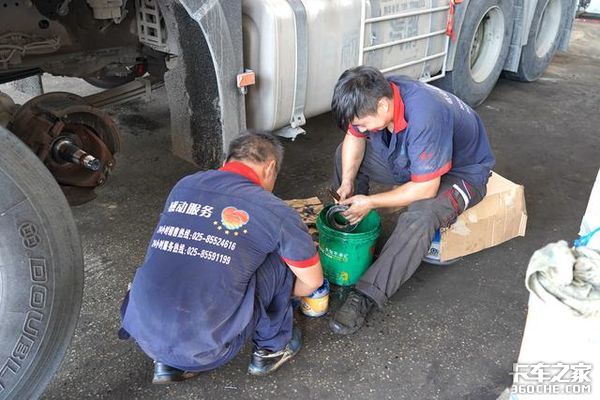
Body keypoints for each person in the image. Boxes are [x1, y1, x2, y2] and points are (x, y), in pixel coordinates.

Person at [120, 132, 323, 383]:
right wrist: (285, 295)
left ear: (228, 159)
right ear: (270, 167)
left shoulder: (185, 185)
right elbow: (312, 282)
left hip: (145, 335)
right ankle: (271, 349)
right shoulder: (275, 210)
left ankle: (169, 364)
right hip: (208, 351)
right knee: (282, 262)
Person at [328, 66, 495, 335]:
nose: (358, 128)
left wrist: (371, 202)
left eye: (361, 122)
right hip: (415, 152)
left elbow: (426, 189)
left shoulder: (425, 115)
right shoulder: (377, 95)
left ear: (383, 107)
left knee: (422, 215)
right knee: (344, 157)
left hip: (462, 171)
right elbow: (353, 137)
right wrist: (347, 181)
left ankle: (367, 294)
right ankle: (352, 233)